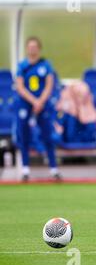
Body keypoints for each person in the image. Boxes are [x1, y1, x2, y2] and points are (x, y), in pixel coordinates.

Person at [15, 36, 61, 181]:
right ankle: (25, 170)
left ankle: (54, 169)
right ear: (26, 49)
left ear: (39, 49)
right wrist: (33, 101)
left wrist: (40, 101)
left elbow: (49, 85)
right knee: (24, 135)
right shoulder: (22, 66)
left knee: (47, 135)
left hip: (43, 105)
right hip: (26, 104)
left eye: (35, 47)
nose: (32, 49)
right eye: (30, 47)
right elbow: (20, 87)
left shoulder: (46, 65)